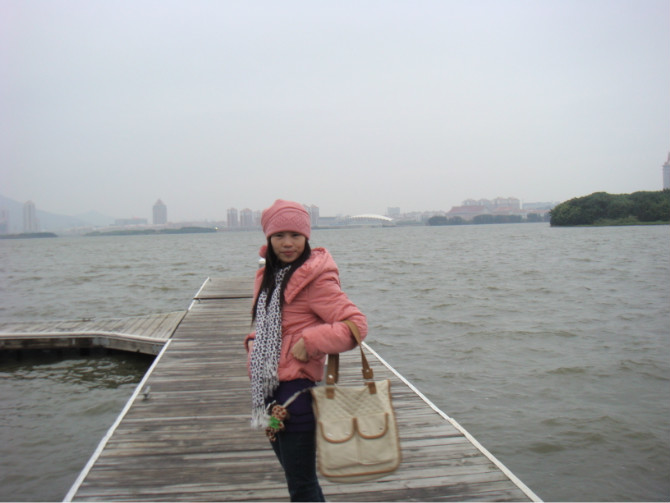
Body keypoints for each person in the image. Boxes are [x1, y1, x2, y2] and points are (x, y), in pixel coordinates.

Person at [244, 199, 367, 502]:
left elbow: (356, 325)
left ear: (307, 237)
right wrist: (253, 344)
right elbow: (271, 325)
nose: (288, 243)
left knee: (302, 485)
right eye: (279, 236)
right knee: (295, 478)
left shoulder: (315, 278)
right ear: (268, 238)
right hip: (268, 393)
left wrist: (311, 341)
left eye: (295, 235)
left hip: (296, 396)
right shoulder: (269, 275)